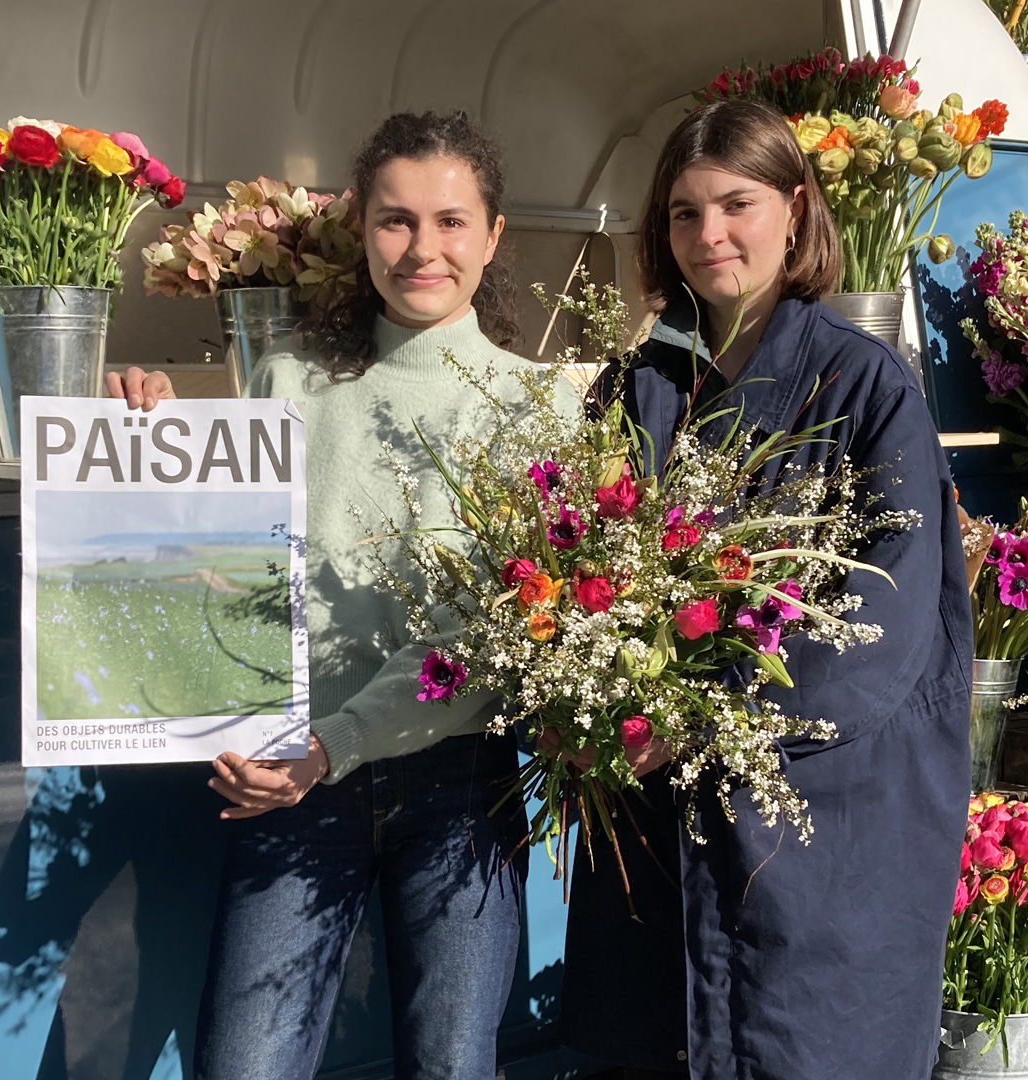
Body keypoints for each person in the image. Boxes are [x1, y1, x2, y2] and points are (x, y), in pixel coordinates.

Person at [108, 110, 542, 1080]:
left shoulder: (542, 403)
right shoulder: (289, 378)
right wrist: (149, 447)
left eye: (450, 221)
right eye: (395, 220)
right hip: (289, 778)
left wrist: (330, 747)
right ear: (360, 230)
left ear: (493, 235)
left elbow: (496, 631)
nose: (421, 248)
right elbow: (219, 560)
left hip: (460, 784)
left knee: (452, 1063)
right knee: (247, 1063)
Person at [557, 100, 972, 1080]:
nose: (710, 236)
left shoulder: (866, 390)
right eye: (683, 213)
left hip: (821, 831)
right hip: (658, 835)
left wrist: (702, 719)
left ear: (795, 209)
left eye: (736, 204)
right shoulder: (636, 391)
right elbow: (581, 569)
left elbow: (881, 626)